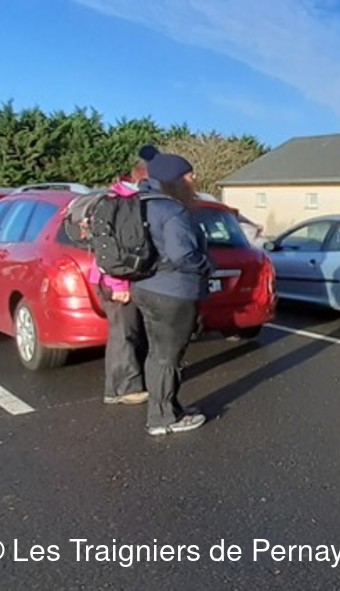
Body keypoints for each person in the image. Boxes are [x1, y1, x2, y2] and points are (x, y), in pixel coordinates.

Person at [133, 147, 212, 436]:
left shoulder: (142, 203)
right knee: (168, 356)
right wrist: (206, 265)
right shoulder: (173, 210)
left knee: (157, 354)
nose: (194, 180)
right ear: (175, 179)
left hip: (145, 286)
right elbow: (182, 255)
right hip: (173, 292)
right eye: (189, 175)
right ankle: (162, 417)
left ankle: (168, 407)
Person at [92, 154, 152, 406]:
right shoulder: (116, 202)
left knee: (134, 332)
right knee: (123, 334)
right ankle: (120, 389)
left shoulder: (128, 199)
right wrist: (119, 284)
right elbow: (107, 246)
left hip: (127, 277)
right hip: (116, 279)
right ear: (143, 176)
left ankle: (135, 381)